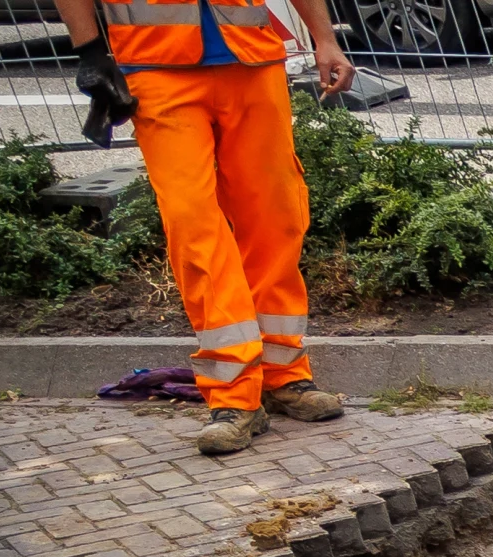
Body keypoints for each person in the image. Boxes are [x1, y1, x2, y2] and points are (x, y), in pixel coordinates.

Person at [63, 0, 353, 457]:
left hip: (252, 60)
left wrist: (326, 38)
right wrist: (90, 51)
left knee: (276, 219)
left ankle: (284, 374)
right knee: (193, 225)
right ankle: (235, 398)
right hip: (155, 68)